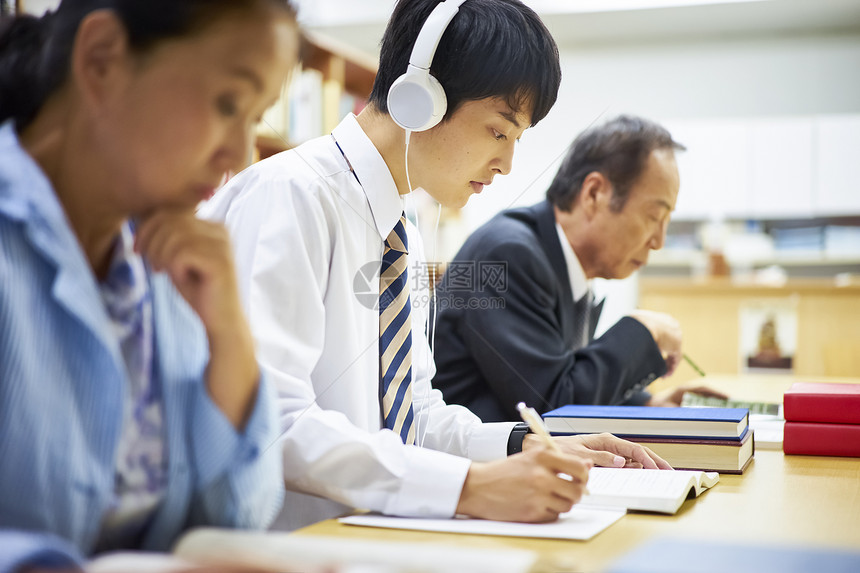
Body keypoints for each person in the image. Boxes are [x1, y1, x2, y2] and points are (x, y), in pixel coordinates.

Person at [200, 0, 670, 533]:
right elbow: (270, 421)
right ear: (417, 99)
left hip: (372, 539)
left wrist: (526, 445)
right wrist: (469, 488)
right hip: (285, 547)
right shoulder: (292, 197)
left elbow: (413, 414)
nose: (508, 163)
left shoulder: (401, 227)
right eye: (499, 131)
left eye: (518, 141)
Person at [0, 0, 299, 570]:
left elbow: (237, 519)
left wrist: (230, 336)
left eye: (254, 119)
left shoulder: (167, 269)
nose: (239, 155)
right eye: (227, 103)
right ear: (103, 59)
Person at [432, 115, 728, 422]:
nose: (659, 241)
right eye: (654, 217)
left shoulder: (561, 260)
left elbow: (559, 372)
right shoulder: (507, 255)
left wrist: (649, 404)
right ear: (594, 194)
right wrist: (642, 331)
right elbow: (555, 409)